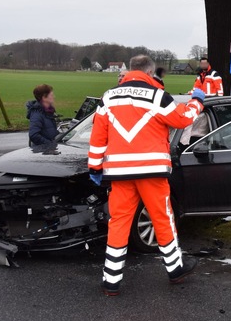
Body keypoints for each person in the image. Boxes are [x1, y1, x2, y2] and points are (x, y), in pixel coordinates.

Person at [88, 55, 206, 296]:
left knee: (119, 221)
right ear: (151, 72)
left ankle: (111, 280)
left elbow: (98, 136)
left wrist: (95, 168)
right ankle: (175, 269)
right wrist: (197, 102)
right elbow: (182, 119)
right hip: (151, 171)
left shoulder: (108, 97)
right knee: (162, 217)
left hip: (119, 174)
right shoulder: (157, 96)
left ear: (130, 70)